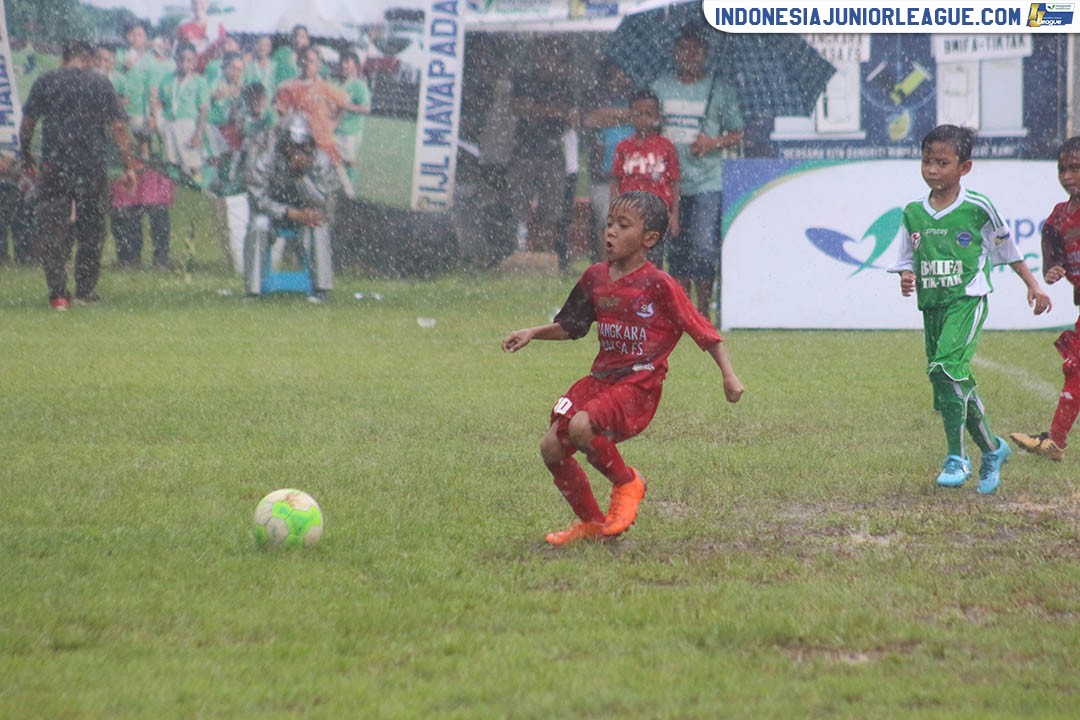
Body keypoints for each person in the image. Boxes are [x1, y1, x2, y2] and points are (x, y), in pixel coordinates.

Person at [501, 190, 744, 545]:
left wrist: (729, 375)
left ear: (649, 239)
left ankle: (628, 482)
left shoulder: (659, 284)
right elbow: (572, 326)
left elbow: (702, 330)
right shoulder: (595, 278)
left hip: (638, 385)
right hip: (601, 380)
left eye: (623, 226)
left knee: (583, 426)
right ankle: (592, 525)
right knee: (551, 447)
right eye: (609, 224)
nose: (610, 232)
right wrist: (533, 333)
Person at [888, 124, 1052, 493]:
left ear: (965, 167)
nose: (932, 169)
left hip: (967, 299)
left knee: (946, 367)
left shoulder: (978, 208)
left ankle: (956, 457)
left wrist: (1033, 285)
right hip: (932, 306)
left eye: (942, 162)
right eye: (927, 161)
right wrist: (905, 278)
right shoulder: (913, 212)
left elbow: (1006, 250)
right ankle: (993, 449)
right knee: (949, 382)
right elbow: (905, 259)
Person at [19, 40, 139, 309]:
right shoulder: (100, 84)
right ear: (90, 60)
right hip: (92, 167)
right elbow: (118, 128)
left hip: (55, 166)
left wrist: (26, 153)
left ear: (65, 59)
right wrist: (128, 166)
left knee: (52, 230)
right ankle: (85, 291)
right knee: (92, 231)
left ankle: (58, 295)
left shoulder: (46, 81)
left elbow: (28, 123)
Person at [651, 24, 744, 319]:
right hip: (669, 183)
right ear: (675, 53)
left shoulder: (721, 88)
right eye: (683, 49)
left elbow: (739, 132)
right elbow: (647, 121)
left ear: (705, 53)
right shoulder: (660, 87)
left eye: (696, 49)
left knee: (703, 248)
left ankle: (702, 312)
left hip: (708, 181)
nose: (689, 55)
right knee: (676, 250)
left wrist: (712, 142)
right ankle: (682, 311)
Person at [1009, 137, 1080, 462]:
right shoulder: (1059, 217)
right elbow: (1054, 248)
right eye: (1062, 168)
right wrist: (1054, 268)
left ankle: (1055, 441)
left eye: (1075, 168)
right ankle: (1055, 441)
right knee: (1074, 368)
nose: (1067, 175)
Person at [243, 114, 338, 303]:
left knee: (318, 224)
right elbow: (258, 199)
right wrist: (289, 213)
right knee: (258, 224)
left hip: (307, 213)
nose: (298, 151)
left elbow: (323, 201)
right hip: (272, 214)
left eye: (303, 146)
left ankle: (321, 290)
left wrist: (300, 177)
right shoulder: (265, 160)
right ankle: (253, 290)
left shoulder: (321, 160)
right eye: (293, 145)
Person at [274, 45, 352, 192]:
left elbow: (344, 101)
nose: (307, 64)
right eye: (304, 60)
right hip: (301, 144)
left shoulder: (324, 86)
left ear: (318, 65)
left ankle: (349, 201)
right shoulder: (289, 87)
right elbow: (282, 113)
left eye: (311, 61)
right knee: (302, 182)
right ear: (299, 62)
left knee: (341, 180)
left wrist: (334, 122)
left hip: (323, 140)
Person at [609, 90, 680, 236]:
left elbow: (675, 183)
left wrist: (674, 215)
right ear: (630, 116)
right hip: (628, 212)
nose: (643, 119)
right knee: (629, 254)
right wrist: (614, 213)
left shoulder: (666, 147)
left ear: (657, 116)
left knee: (654, 254)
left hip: (657, 212)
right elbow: (615, 182)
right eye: (638, 114)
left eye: (648, 114)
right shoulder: (623, 147)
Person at [153, 42, 211, 185]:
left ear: (194, 61)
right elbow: (161, 101)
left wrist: (198, 133)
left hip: (188, 124)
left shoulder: (199, 82)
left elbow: (203, 109)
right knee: (172, 156)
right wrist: (155, 118)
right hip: (169, 122)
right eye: (181, 59)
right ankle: (177, 183)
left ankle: (198, 183)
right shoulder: (168, 78)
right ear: (176, 59)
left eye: (189, 60)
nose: (185, 63)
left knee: (193, 159)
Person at [333, 50, 371, 188]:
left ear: (355, 65)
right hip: (335, 128)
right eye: (342, 62)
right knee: (334, 160)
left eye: (347, 62)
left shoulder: (358, 85)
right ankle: (341, 186)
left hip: (350, 130)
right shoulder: (336, 83)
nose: (343, 65)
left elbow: (366, 108)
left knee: (348, 160)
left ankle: (350, 188)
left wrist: (347, 106)